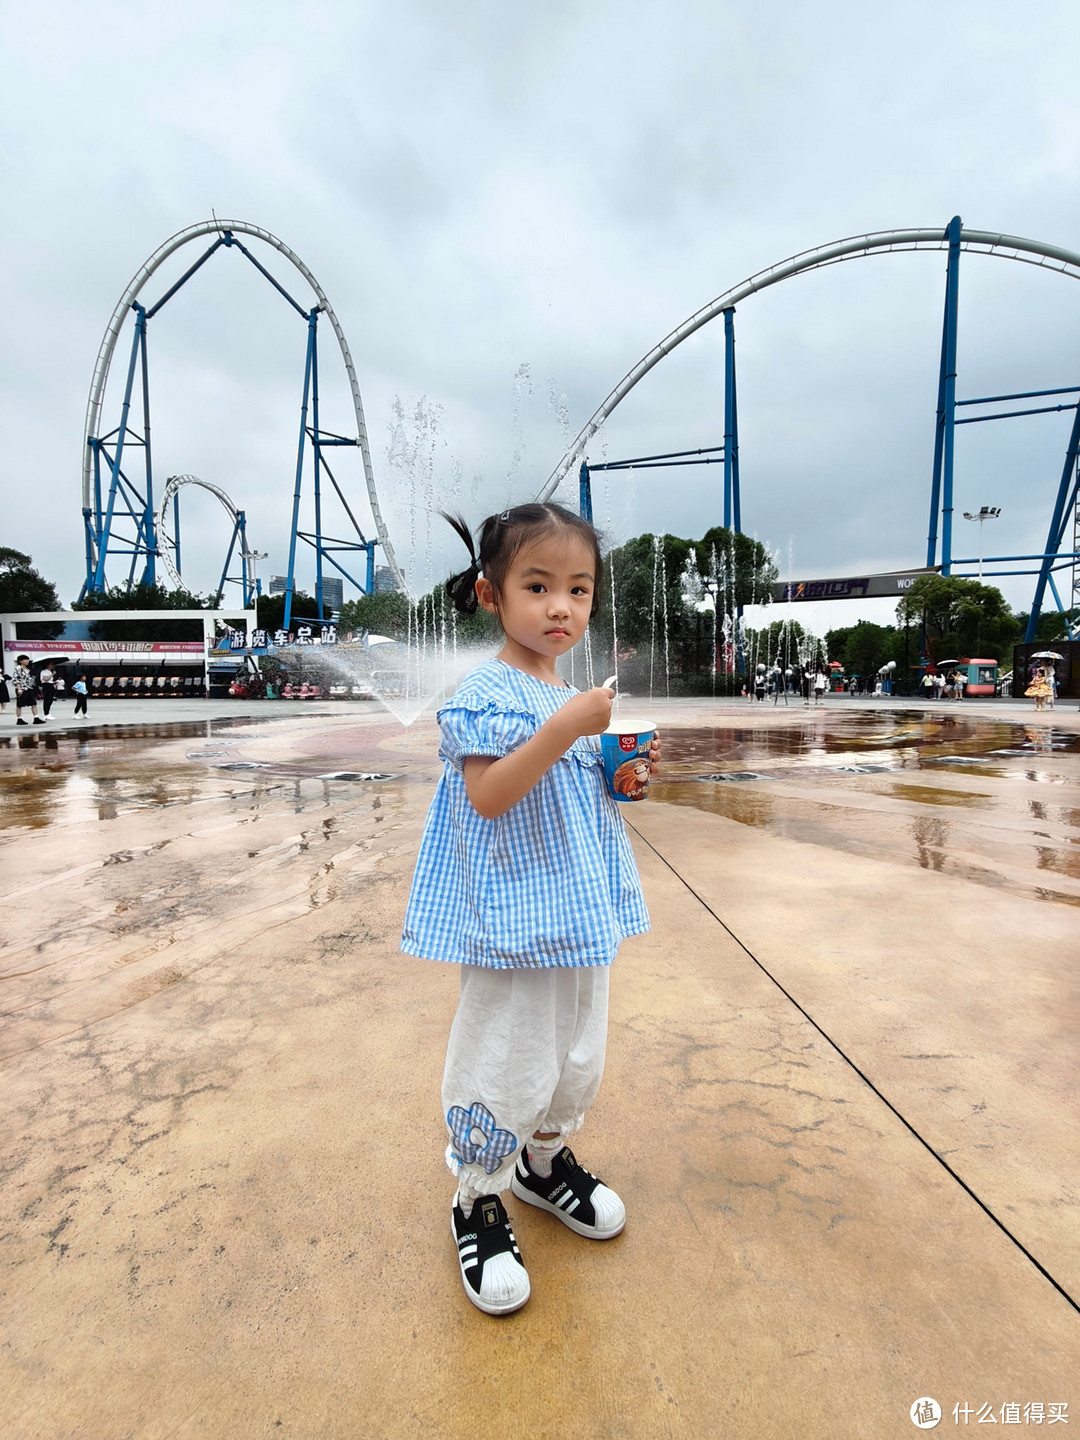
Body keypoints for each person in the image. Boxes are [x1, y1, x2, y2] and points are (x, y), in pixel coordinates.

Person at [401, 502, 659, 1318]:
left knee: (577, 1050)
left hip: (578, 914)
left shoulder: (573, 697)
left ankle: (542, 1164)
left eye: (579, 590)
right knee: (506, 1055)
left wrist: (622, 775)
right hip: (514, 922)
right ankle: (477, 1196)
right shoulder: (485, 690)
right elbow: (489, 794)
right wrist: (566, 727)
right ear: (491, 594)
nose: (561, 608)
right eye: (538, 585)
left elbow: (569, 790)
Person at [13, 655, 44, 725]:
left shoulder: (27, 670)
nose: (27, 661)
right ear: (20, 661)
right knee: (19, 705)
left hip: (29, 688)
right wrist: (19, 689)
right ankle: (19, 719)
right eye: (25, 660)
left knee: (33, 703)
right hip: (22, 689)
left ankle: (36, 718)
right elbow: (15, 679)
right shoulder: (18, 669)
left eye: (27, 660)